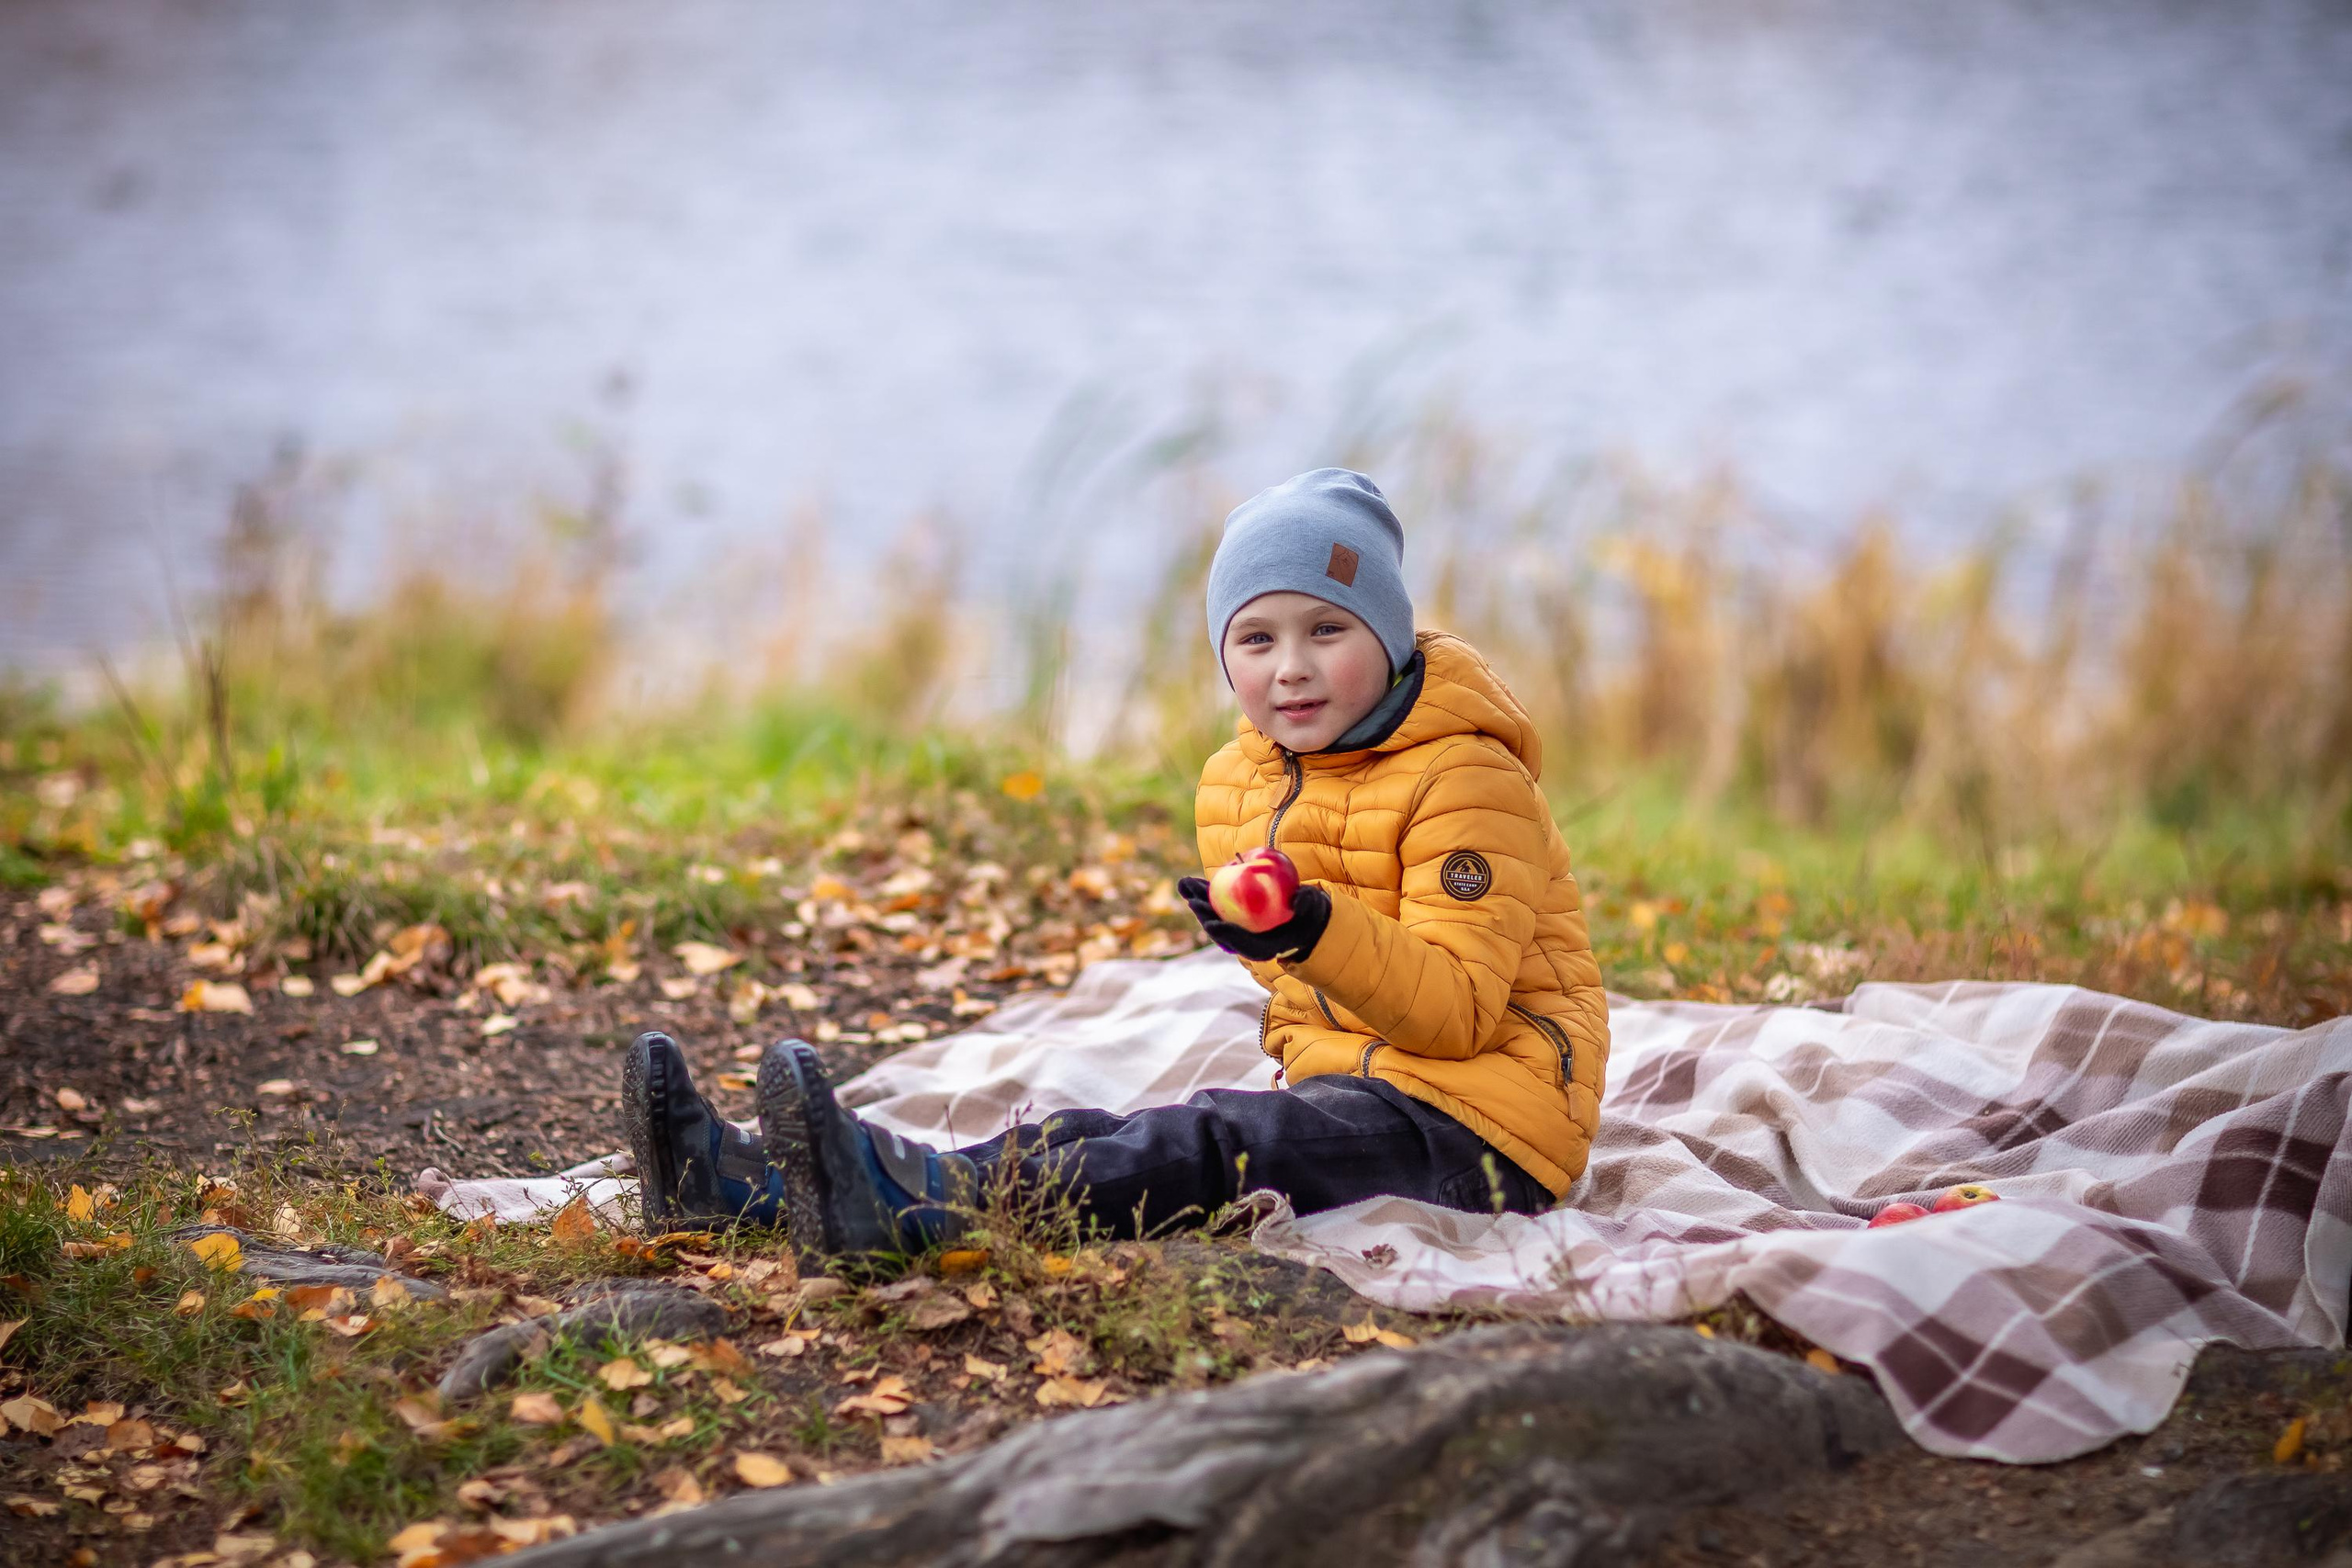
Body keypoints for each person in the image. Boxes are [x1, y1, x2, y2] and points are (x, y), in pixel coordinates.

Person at [621, 468, 1610, 1254]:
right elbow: (1321, 995)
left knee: (1214, 1144)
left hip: (1486, 1135)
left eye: (1328, 630)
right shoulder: (1244, 781)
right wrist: (1281, 936)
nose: (1291, 667)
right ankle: (756, 1189)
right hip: (1353, 1093)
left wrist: (1307, 930)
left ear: (1387, 639)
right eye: (1255, 637)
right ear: (1225, 654)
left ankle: (926, 1213)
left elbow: (1459, 1012)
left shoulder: (1467, 781)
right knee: (1090, 1133)